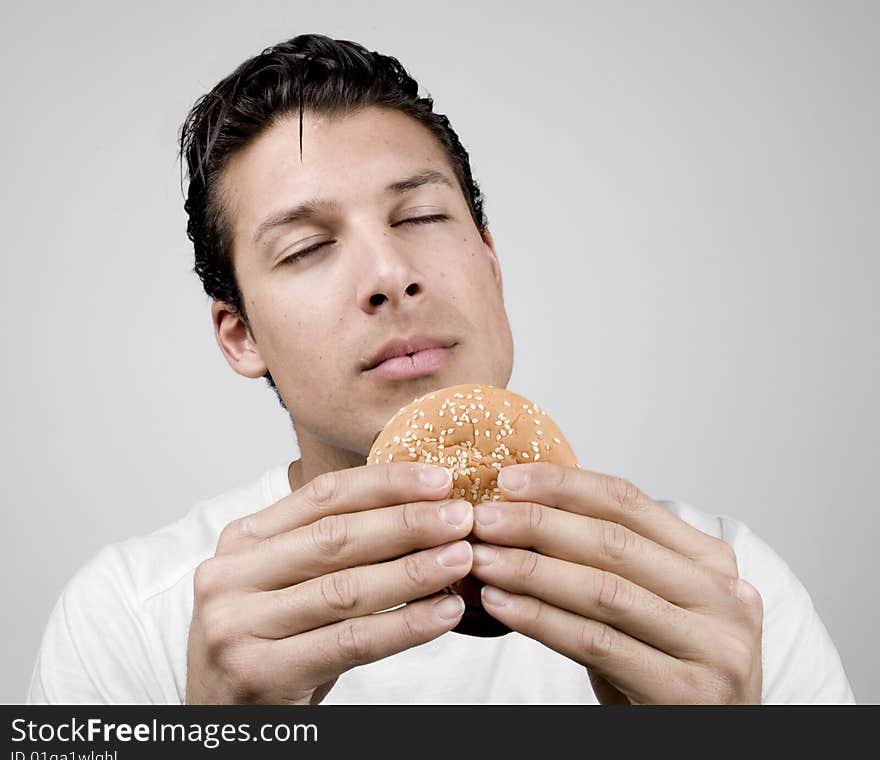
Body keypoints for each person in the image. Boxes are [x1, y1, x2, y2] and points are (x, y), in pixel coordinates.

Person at [27, 33, 854, 705]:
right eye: (309, 246)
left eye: (420, 214)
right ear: (240, 334)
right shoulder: (133, 617)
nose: (390, 273)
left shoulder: (721, 593)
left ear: (491, 265)